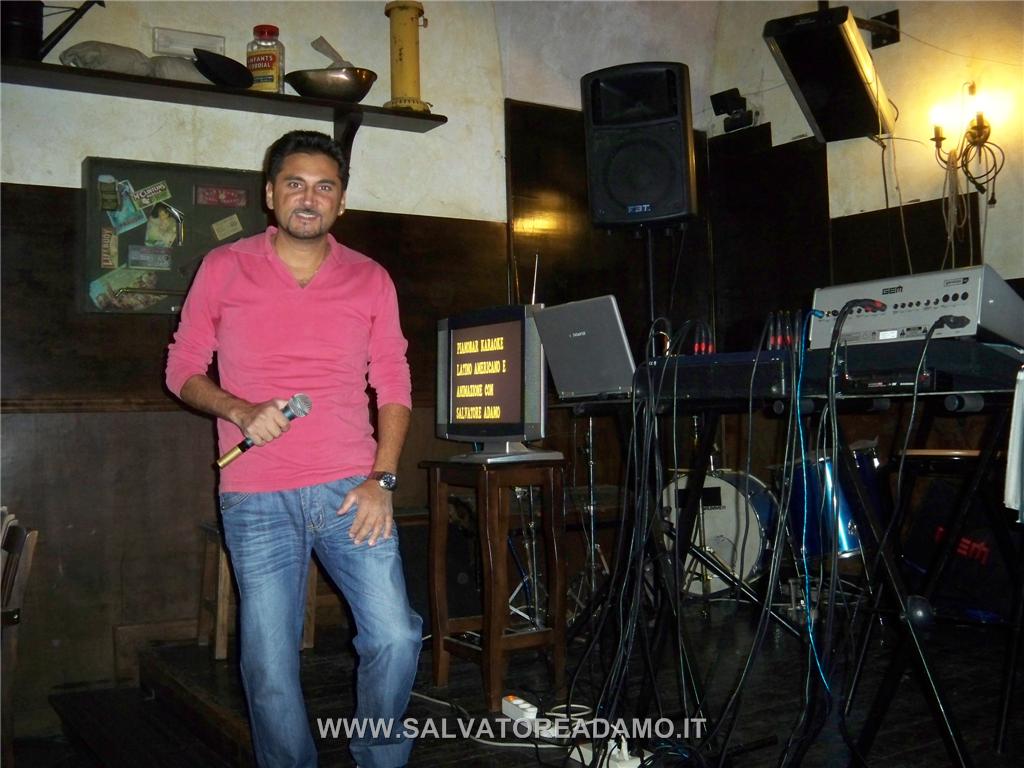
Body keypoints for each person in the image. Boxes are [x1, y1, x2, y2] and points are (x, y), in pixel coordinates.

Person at [166, 130, 422, 768]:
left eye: (324, 186)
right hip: (256, 496)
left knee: (395, 635)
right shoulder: (223, 266)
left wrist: (383, 480)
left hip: (351, 489)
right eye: (295, 184)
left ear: (342, 200)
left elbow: (394, 383)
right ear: (270, 193)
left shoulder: (370, 277)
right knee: (269, 663)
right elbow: (182, 369)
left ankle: (379, 756)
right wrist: (239, 410)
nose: (309, 198)